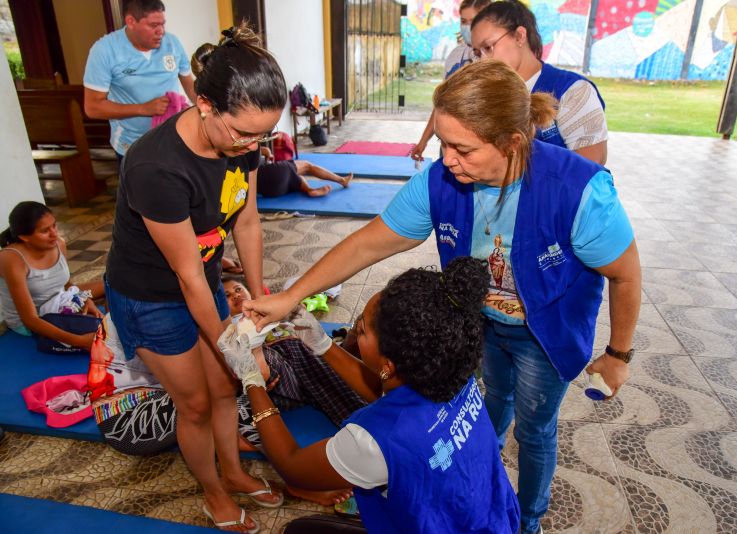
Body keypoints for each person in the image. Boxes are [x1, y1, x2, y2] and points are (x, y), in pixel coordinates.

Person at [242, 60, 641, 534]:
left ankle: (527, 520)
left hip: (546, 335)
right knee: (485, 409)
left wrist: (618, 353)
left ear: (513, 142)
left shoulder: (579, 191)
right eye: (443, 143)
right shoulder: (442, 180)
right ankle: (467, 482)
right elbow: (371, 240)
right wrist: (293, 296)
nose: (447, 159)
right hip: (482, 323)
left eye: (462, 149)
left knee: (535, 430)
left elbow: (626, 275)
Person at [103, 23, 286, 532]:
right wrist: (241, 348)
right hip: (150, 297)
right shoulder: (156, 167)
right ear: (204, 104)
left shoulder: (242, 141)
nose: (253, 145)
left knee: (226, 389)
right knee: (198, 403)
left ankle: (232, 471)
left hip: (200, 280)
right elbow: (185, 277)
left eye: (262, 135)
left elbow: (246, 220)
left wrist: (258, 301)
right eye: (244, 133)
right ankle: (212, 493)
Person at [220, 257, 520, 533]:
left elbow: (291, 464)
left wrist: (251, 380)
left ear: (388, 365)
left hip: (439, 524)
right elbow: (386, 393)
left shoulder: (374, 441)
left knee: (299, 531)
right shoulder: (451, 371)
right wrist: (321, 342)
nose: (354, 333)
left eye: (360, 331)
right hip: (492, 518)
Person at [88, 306, 361, 506]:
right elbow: (205, 379)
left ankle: (357, 414)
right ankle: (296, 478)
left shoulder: (188, 301)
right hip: (129, 417)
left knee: (289, 347)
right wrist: (250, 366)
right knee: (228, 397)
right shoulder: (145, 310)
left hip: (171, 395)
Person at [471, 0, 608, 165]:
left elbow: (588, 171)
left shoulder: (573, 91)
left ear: (520, 36)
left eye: (488, 47)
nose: (483, 60)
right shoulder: (484, 96)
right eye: (477, 53)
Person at [83, 0, 197, 159]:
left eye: (162, 24)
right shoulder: (104, 50)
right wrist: (143, 108)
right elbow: (93, 107)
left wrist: (205, 109)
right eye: (153, 25)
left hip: (173, 138)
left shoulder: (172, 43)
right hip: (132, 146)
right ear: (130, 21)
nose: (161, 31)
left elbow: (189, 85)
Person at [0, 201, 104, 350]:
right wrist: (79, 341)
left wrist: (83, 299)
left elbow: (66, 284)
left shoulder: (59, 244)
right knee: (104, 336)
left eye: (54, 225)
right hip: (33, 321)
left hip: (59, 300)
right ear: (24, 237)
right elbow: (29, 319)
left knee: (114, 286)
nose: (54, 234)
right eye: (44, 231)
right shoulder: (12, 259)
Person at [411, 0, 491, 162]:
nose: (468, 27)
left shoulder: (494, 58)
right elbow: (442, 106)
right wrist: (423, 140)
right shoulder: (456, 56)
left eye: (473, 21)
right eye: (463, 21)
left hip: (478, 150)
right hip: (450, 147)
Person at [256, 146, 352, 198]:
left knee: (294, 177)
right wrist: (268, 154)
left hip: (271, 191)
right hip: (272, 173)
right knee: (307, 165)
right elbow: (266, 150)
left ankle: (309, 190)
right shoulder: (244, 145)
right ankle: (342, 180)